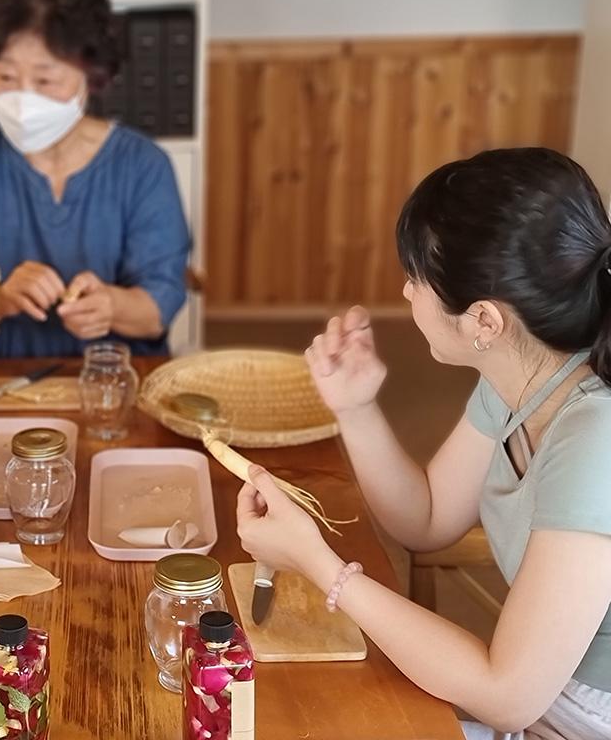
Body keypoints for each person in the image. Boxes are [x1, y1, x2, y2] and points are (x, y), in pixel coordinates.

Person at [237, 148, 611, 739]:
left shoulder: (595, 439)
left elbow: (506, 694)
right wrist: (355, 407)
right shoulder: (526, 377)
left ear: (484, 322)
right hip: (544, 700)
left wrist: (317, 562)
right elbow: (428, 518)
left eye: (416, 279)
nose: (407, 294)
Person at [0, 0, 191, 358]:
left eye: (46, 80)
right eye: (6, 76)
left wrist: (111, 306)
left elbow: (158, 308)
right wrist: (0, 299)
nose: (24, 98)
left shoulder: (143, 166)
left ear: (92, 77)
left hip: (117, 380)